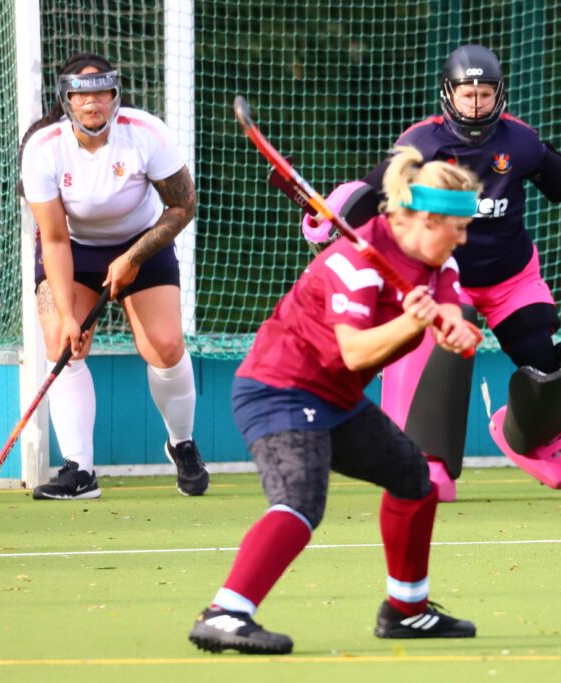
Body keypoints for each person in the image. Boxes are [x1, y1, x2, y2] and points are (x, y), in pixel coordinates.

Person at [300, 45, 561, 501]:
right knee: (441, 356)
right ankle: (426, 461)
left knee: (544, 357)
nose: (476, 103)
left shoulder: (520, 142)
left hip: (511, 276)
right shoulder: (422, 143)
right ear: (449, 94)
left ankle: (529, 436)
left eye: (485, 93)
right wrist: (334, 209)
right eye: (468, 93)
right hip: (442, 276)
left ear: (499, 95)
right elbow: (375, 189)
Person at [187, 146, 482, 655]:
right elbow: (354, 352)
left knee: (415, 479)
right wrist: (412, 321)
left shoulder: (438, 259)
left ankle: (406, 610)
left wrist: (453, 328)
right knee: (300, 499)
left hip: (337, 398)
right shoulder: (354, 265)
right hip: (280, 389)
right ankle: (226, 613)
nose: (462, 238)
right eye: (456, 228)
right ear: (426, 220)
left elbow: (449, 305)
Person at [18, 53, 209, 500]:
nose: (93, 103)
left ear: (115, 95)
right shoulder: (43, 148)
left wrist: (133, 257)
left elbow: (183, 206)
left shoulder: (146, 133)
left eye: (102, 92)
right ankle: (80, 471)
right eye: (82, 95)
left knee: (165, 346)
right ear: (67, 100)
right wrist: (69, 316)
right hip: (73, 247)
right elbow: (54, 239)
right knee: (61, 342)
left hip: (143, 240)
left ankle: (182, 444)